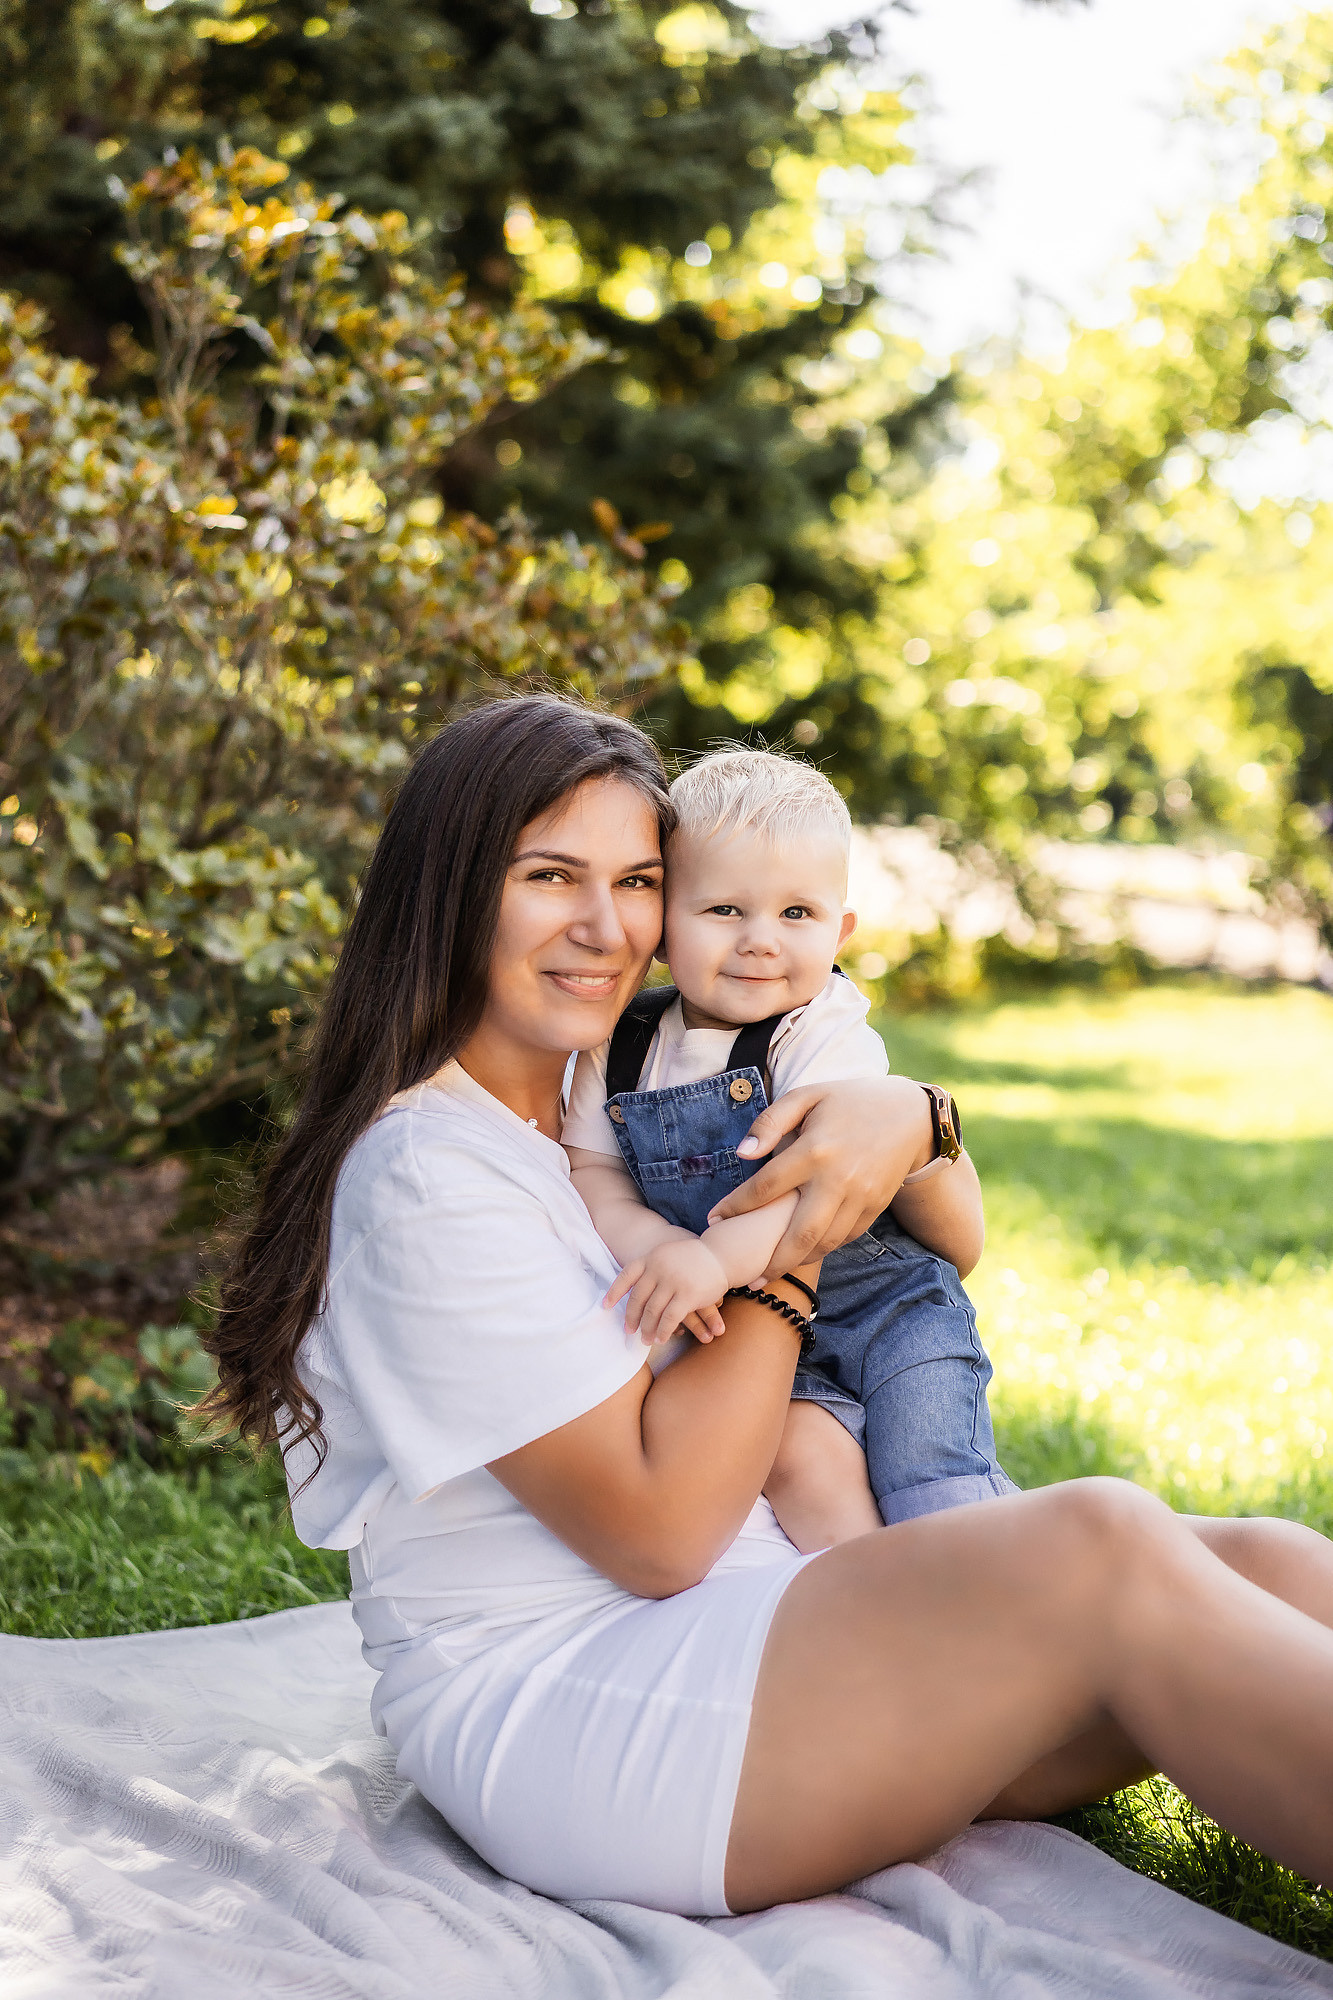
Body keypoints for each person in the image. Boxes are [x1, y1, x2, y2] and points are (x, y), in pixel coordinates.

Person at [205, 692, 1333, 1920]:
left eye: (638, 881)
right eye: (549, 876)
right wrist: (799, 1228)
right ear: (452, 891)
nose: (603, 925)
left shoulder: (606, 1081)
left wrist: (912, 1115)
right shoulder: (429, 1168)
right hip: (587, 1704)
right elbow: (658, 1535)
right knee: (1099, 1542)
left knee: (1262, 1561)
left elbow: (954, 1236)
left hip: (765, 1603)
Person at [562, 746, 1015, 1552]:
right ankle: (881, 1606)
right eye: (724, 910)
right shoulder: (618, 1043)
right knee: (804, 1469)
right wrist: (655, 1242)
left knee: (933, 1480)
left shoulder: (820, 1027)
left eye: (796, 914)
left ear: (840, 930)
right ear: (662, 926)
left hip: (887, 1308)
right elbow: (592, 1170)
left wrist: (708, 1260)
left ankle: (998, 1589)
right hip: (751, 1327)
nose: (760, 941)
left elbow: (816, 1188)